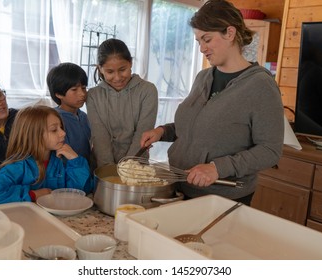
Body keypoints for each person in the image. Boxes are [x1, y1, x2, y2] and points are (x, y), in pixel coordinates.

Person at [140, 0, 284, 206]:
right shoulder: (203, 77)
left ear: (230, 33)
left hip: (222, 197)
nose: (201, 48)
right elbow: (196, 127)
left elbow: (270, 150)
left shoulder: (260, 86)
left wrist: (217, 168)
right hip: (180, 186)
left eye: (207, 39)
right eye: (198, 41)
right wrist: (162, 131)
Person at [0, 105, 94, 205]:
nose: (63, 133)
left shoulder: (61, 160)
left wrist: (75, 161)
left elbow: (80, 192)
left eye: (61, 128)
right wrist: (33, 194)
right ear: (33, 135)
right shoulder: (15, 167)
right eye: (54, 130)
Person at [86, 38, 158, 168]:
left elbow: (142, 133)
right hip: (102, 167)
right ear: (100, 69)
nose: (118, 78)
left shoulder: (148, 90)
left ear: (130, 63)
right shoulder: (93, 96)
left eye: (122, 69)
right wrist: (108, 171)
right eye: (110, 72)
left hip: (136, 168)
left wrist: (127, 168)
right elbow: (100, 137)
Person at [46, 62, 92, 164]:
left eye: (84, 88)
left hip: (84, 170)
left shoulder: (84, 116)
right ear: (58, 94)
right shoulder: (55, 119)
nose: (82, 94)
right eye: (74, 89)